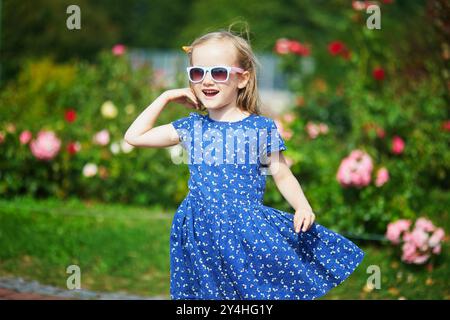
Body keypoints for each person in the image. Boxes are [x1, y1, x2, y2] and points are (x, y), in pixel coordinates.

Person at [124, 29, 365, 300]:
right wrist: (166, 97)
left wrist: (302, 206)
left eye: (218, 73)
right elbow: (134, 136)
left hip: (244, 230)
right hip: (198, 230)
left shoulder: (260, 128)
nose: (206, 81)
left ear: (243, 78)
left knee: (249, 295)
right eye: (197, 73)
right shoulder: (192, 126)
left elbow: (281, 173)